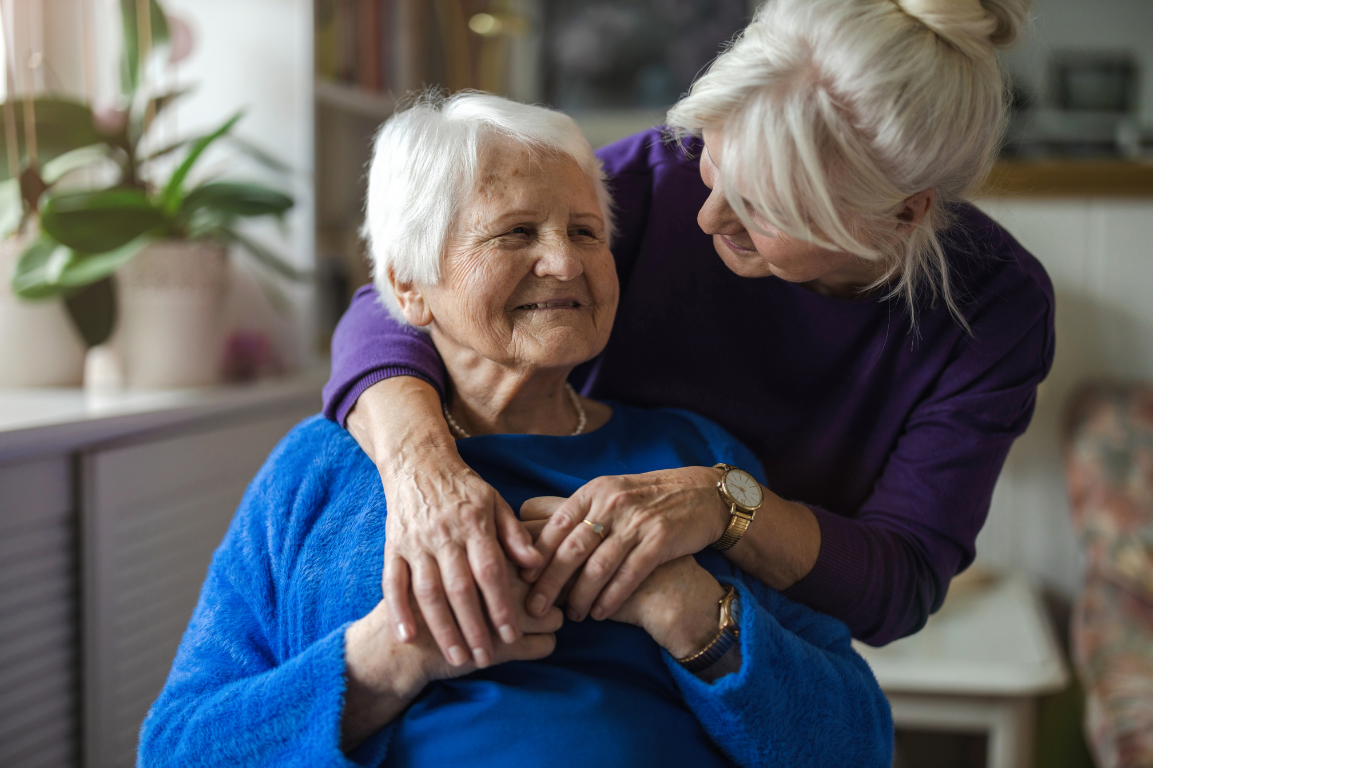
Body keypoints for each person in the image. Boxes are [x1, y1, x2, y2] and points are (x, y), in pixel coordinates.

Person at [139, 94, 892, 767]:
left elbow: (857, 743)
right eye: (515, 233)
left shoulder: (696, 461)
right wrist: (393, 656)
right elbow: (178, 750)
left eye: (587, 232)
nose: (564, 262)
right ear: (407, 283)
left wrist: (685, 606)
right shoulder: (318, 469)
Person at [326, 0, 1054, 670]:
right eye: (712, 161)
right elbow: (394, 299)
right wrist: (425, 474)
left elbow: (901, 582)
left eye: (762, 207)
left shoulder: (993, 308)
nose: (707, 218)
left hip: (749, 640)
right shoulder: (657, 177)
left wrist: (728, 505)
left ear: (903, 215)